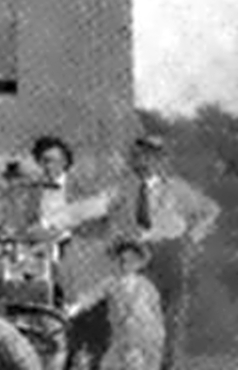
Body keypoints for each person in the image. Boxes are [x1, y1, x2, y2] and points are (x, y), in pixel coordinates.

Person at [109, 134, 219, 370]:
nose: (143, 161)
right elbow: (105, 214)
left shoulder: (176, 188)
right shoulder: (124, 189)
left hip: (169, 256)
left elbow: (210, 211)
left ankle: (167, 366)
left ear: (161, 160)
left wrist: (191, 238)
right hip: (135, 256)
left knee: (170, 317)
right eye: (138, 156)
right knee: (133, 315)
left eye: (151, 156)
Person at [67, 238, 165, 370]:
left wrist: (157, 338)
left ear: (139, 263)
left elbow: (156, 313)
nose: (126, 264)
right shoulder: (112, 282)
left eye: (131, 260)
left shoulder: (147, 286)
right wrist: (75, 308)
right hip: (121, 336)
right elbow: (92, 296)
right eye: (122, 260)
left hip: (144, 336)